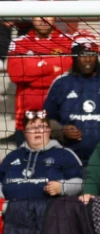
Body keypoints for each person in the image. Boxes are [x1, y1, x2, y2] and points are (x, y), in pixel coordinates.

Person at [43, 34, 100, 165]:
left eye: (92, 54)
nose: (88, 59)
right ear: (74, 56)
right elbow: (47, 118)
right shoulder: (61, 83)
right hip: (71, 160)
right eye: (83, 55)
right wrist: (61, 131)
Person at [7, 17, 72, 145]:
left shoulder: (68, 41)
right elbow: (16, 75)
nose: (43, 19)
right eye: (39, 15)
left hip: (60, 120)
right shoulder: (19, 42)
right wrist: (50, 66)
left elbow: (66, 74)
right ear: (32, 17)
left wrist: (32, 71)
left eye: (47, 14)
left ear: (54, 17)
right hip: (26, 121)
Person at [0, 110, 83, 200]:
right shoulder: (11, 157)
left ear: (49, 130)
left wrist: (62, 187)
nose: (37, 131)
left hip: (53, 212)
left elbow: (81, 183)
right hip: (13, 212)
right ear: (24, 132)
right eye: (32, 128)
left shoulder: (65, 154)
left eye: (41, 126)